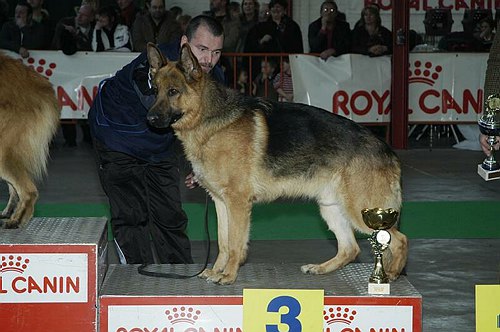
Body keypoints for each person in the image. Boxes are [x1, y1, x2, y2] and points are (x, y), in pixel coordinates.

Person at [87, 15, 225, 264]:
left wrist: (201, 163)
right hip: (117, 137)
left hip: (159, 147)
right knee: (132, 215)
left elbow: (210, 125)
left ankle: (179, 279)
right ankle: (133, 282)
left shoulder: (211, 78)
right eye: (202, 49)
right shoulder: (157, 66)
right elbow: (157, 104)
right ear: (185, 43)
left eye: (216, 52)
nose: (208, 60)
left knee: (169, 215)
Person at [52, 3, 95, 147]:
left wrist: (78, 36)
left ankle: (88, 136)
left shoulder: (96, 28)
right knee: (68, 103)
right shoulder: (65, 27)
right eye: (78, 14)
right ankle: (70, 139)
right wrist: (72, 36)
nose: (79, 17)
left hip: (88, 72)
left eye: (83, 15)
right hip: (67, 71)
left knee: (86, 102)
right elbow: (63, 48)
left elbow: (93, 49)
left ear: (91, 17)